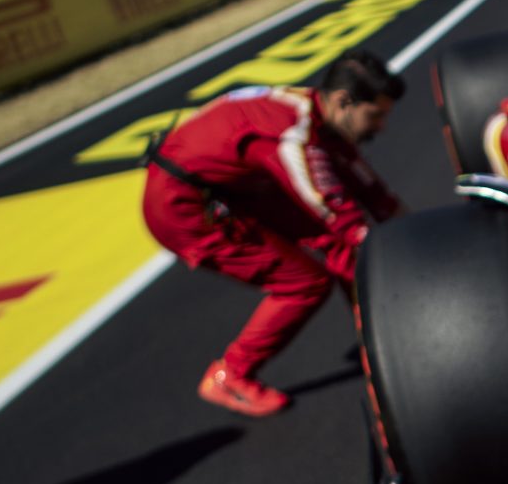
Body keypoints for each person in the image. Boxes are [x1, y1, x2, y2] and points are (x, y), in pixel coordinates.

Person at [140, 51, 405, 417]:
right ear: (344, 101)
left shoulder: (315, 111)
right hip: (183, 207)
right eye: (375, 116)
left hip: (226, 185)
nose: (381, 128)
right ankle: (229, 374)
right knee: (305, 282)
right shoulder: (291, 136)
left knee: (335, 243)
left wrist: (401, 222)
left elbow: (366, 184)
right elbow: (336, 212)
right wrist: (402, 255)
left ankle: (378, 334)